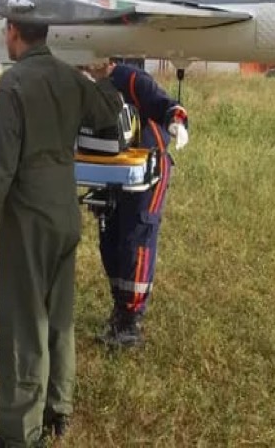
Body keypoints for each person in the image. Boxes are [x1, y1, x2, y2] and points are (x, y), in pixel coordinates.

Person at [0, 8, 123, 447]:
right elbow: (109, 115)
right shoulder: (72, 77)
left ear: (14, 32)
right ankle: (59, 409)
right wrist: (104, 75)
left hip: (29, 211)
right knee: (59, 314)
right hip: (64, 206)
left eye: (5, 30)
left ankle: (20, 433)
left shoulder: (14, 82)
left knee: (24, 319)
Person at [95, 60, 189, 348]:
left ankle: (131, 320)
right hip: (109, 169)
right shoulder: (84, 82)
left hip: (147, 169)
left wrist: (177, 124)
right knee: (110, 239)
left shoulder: (131, 79)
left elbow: (168, 106)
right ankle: (120, 308)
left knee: (137, 238)